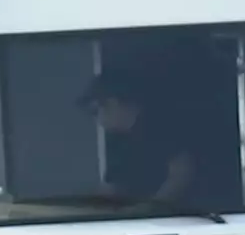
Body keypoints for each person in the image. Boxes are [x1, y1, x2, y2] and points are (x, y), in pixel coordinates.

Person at [79, 70, 195, 204]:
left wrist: (151, 210)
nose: (96, 120)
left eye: (94, 111)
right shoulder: (119, 141)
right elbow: (114, 188)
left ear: (112, 103)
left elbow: (181, 173)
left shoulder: (159, 127)